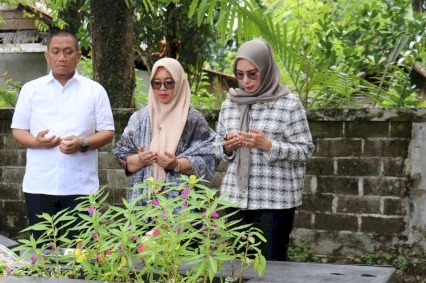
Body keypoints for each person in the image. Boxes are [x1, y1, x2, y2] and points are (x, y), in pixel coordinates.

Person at [214, 38, 314, 261]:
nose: (245, 81)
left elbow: (306, 150)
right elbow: (216, 147)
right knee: (237, 269)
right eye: (240, 75)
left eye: (252, 73)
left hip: (274, 203)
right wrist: (227, 146)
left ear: (266, 69)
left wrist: (269, 145)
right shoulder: (231, 103)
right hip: (235, 201)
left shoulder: (288, 104)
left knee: (271, 271)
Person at [11, 30, 115, 232]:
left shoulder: (94, 90)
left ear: (78, 56)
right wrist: (36, 142)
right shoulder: (31, 89)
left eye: (68, 52)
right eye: (56, 51)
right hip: (39, 185)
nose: (62, 58)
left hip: (81, 187)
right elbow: (18, 130)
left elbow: (107, 132)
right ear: (47, 56)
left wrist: (82, 143)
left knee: (80, 252)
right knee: (43, 251)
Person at [113, 58, 217, 202]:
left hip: (182, 206)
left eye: (169, 82)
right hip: (143, 203)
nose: (162, 88)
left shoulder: (193, 119)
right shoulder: (139, 118)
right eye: (157, 83)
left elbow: (211, 155)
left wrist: (177, 164)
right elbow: (122, 156)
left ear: (179, 83)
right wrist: (140, 159)